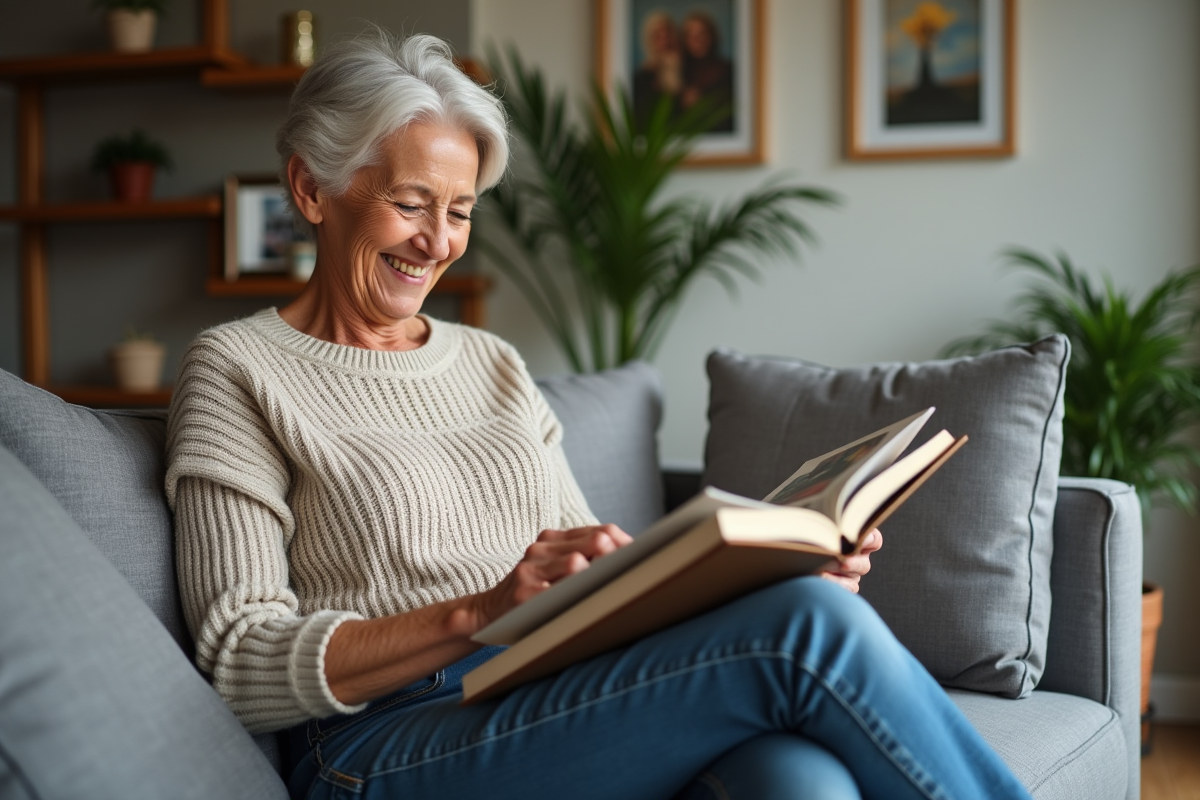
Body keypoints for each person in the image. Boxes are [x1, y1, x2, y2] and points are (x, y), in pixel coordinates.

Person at [165, 28, 1033, 800]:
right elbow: (241, 660)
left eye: (460, 211)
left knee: (798, 779)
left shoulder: (492, 364)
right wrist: (480, 611)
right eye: (410, 203)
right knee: (815, 630)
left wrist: (765, 576)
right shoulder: (237, 369)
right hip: (374, 746)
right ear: (310, 189)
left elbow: (599, 589)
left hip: (543, 694)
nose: (438, 242)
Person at [680, 10, 735, 132]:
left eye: (702, 34)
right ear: (684, 40)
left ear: (712, 36)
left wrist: (703, 104)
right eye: (691, 36)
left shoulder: (728, 70)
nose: (697, 40)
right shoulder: (679, 71)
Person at [633, 11, 683, 128]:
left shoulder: (689, 69)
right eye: (657, 37)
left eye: (668, 35)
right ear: (649, 41)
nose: (665, 42)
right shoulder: (641, 77)